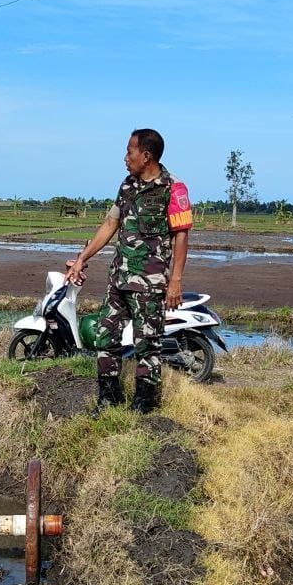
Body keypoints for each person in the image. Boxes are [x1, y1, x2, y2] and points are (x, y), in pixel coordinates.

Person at [65, 128, 192, 413]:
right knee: (105, 337)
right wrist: (82, 258)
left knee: (147, 344)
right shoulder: (127, 185)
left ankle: (144, 404)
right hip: (118, 279)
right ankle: (108, 399)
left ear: (146, 156)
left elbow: (181, 236)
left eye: (129, 151)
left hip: (149, 282)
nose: (125, 157)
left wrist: (175, 281)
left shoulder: (173, 188)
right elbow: (110, 224)